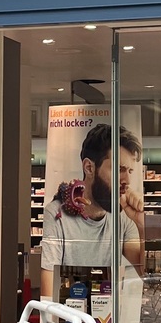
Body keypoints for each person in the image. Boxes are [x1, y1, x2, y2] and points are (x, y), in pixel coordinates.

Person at [40, 122, 144, 301]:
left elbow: (141, 280)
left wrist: (140, 224)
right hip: (71, 321)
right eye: (119, 170)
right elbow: (48, 297)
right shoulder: (57, 214)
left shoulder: (124, 218)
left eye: (130, 171)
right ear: (89, 168)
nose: (126, 180)